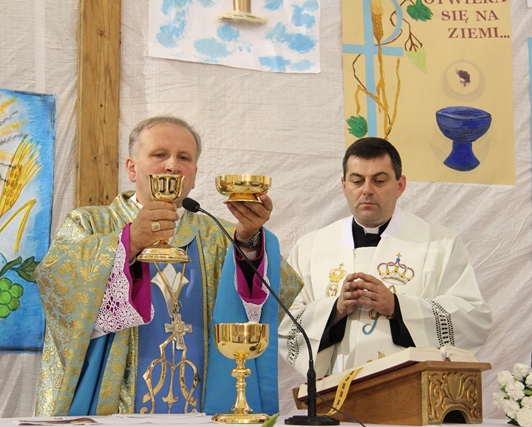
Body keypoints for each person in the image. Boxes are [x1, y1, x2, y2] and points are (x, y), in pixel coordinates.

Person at [35, 115, 303, 416]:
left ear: (195, 174)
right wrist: (129, 243)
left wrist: (249, 243)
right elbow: (56, 286)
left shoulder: (222, 235)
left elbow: (274, 300)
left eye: (184, 158)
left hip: (204, 404)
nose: (172, 165)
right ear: (132, 167)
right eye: (159, 154)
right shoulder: (91, 224)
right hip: (116, 405)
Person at [278, 137, 492, 378]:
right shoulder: (309, 248)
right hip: (334, 392)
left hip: (411, 391)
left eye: (379, 181)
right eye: (357, 181)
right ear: (344, 185)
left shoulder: (441, 244)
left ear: (400, 185)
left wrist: (397, 307)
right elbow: (284, 324)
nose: (367, 190)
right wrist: (335, 310)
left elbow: (473, 319)